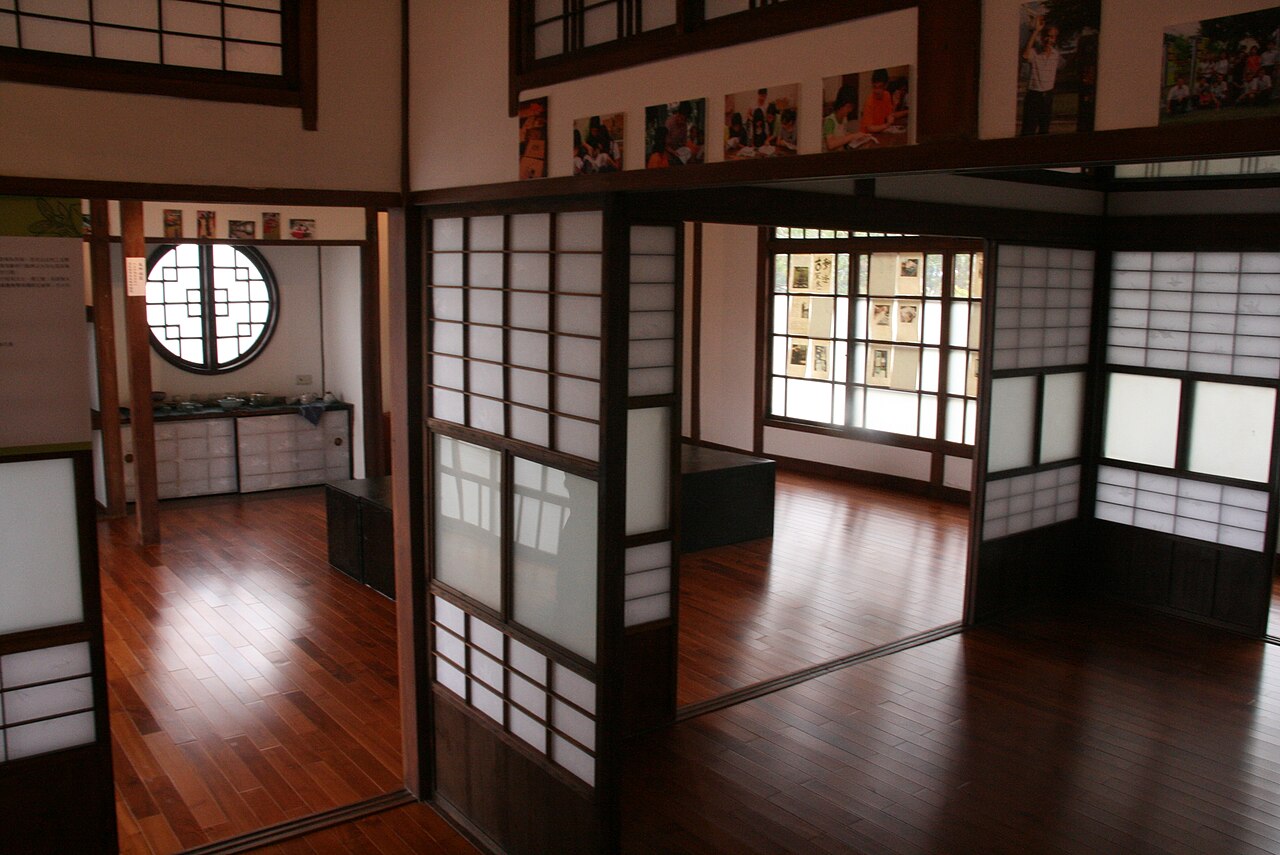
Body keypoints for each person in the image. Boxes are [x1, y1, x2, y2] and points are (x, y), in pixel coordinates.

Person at [1020, 15, 1062, 135]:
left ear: (1055, 39)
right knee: (1028, 130)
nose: (1049, 40)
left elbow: (1065, 66)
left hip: (1048, 96)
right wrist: (1036, 31)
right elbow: (1025, 55)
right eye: (1047, 36)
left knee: (1044, 130)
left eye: (1052, 37)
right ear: (1042, 37)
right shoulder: (1034, 52)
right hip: (1034, 96)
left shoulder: (1056, 55)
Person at [823, 85, 874, 150]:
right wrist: (852, 136)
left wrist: (858, 135)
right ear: (841, 103)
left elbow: (842, 134)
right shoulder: (830, 121)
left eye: (851, 107)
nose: (850, 110)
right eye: (848, 106)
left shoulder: (844, 118)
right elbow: (831, 144)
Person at [860, 68, 906, 133]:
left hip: (879, 132)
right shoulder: (869, 102)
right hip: (867, 135)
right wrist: (887, 125)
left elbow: (890, 116)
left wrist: (895, 104)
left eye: (880, 87)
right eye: (874, 87)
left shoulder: (887, 95)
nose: (876, 91)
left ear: (886, 85)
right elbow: (870, 128)